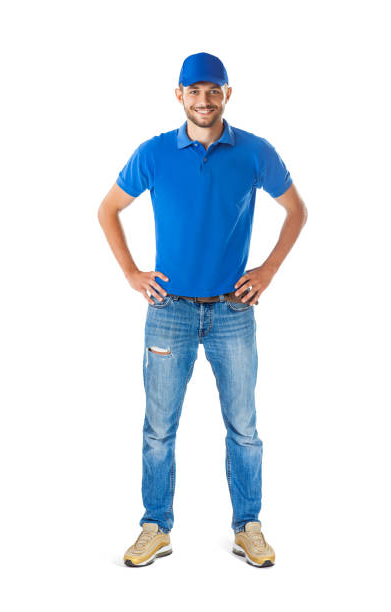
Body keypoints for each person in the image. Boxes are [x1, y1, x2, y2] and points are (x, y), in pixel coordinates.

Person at [97, 52, 308, 568]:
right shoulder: (154, 154)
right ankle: (155, 525)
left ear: (227, 95)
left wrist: (268, 270)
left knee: (244, 427)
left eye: (214, 90)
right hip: (168, 308)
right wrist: (131, 273)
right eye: (195, 91)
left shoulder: (255, 152)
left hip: (233, 312)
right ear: (179, 96)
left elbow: (297, 210)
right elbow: (108, 209)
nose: (204, 100)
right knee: (158, 428)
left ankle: (248, 526)